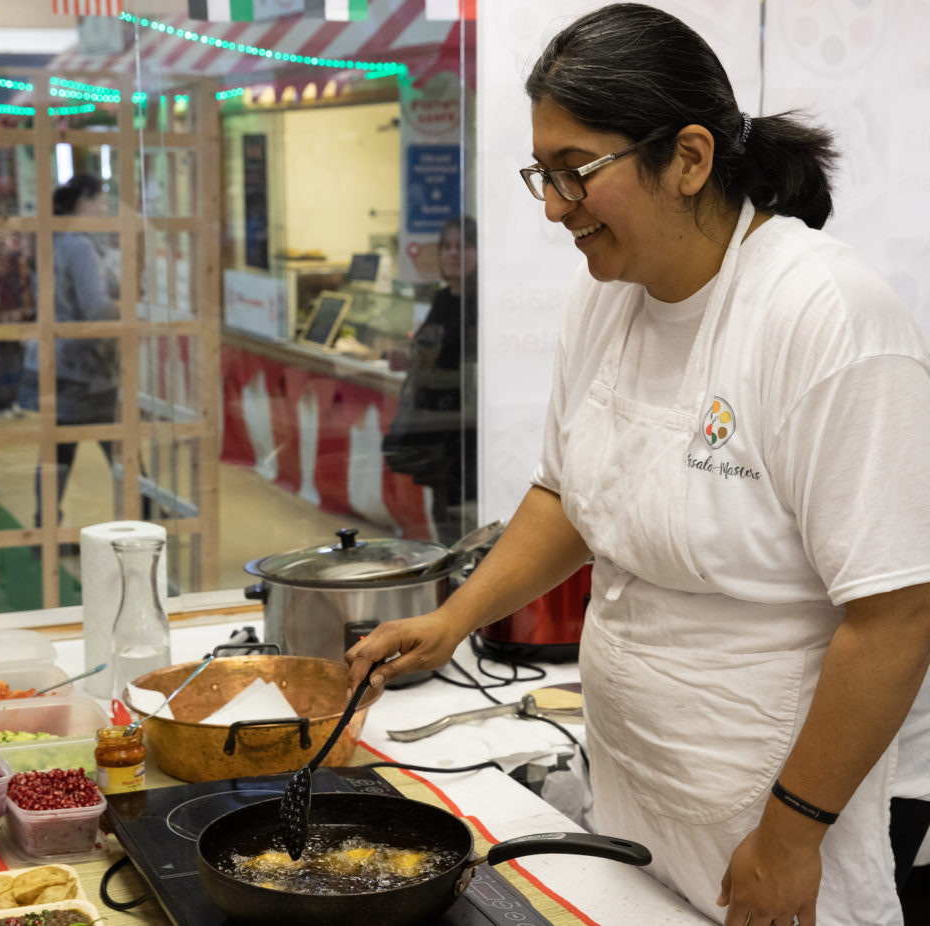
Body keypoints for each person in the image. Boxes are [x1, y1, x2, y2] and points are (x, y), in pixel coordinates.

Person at [347, 5, 930, 926]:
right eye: (543, 173)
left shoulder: (827, 316)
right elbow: (570, 496)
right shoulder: (607, 299)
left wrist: (791, 836)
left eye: (576, 172)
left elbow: (896, 615)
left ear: (689, 158)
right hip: (633, 791)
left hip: (772, 810)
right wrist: (452, 620)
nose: (552, 206)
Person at [19, 173, 121, 530]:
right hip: (85, 369)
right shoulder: (80, 247)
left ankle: (45, 524)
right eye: (99, 200)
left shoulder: (50, 241)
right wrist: (131, 307)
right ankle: (148, 515)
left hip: (52, 362)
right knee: (120, 445)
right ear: (82, 202)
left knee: (58, 452)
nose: (104, 207)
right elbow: (96, 310)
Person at [382, 216, 478, 544]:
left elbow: (470, 365)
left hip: (462, 424)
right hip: (433, 421)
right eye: (447, 247)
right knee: (440, 503)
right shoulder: (441, 299)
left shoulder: (482, 304)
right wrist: (409, 360)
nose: (453, 253)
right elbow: (434, 353)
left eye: (463, 246)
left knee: (457, 505)